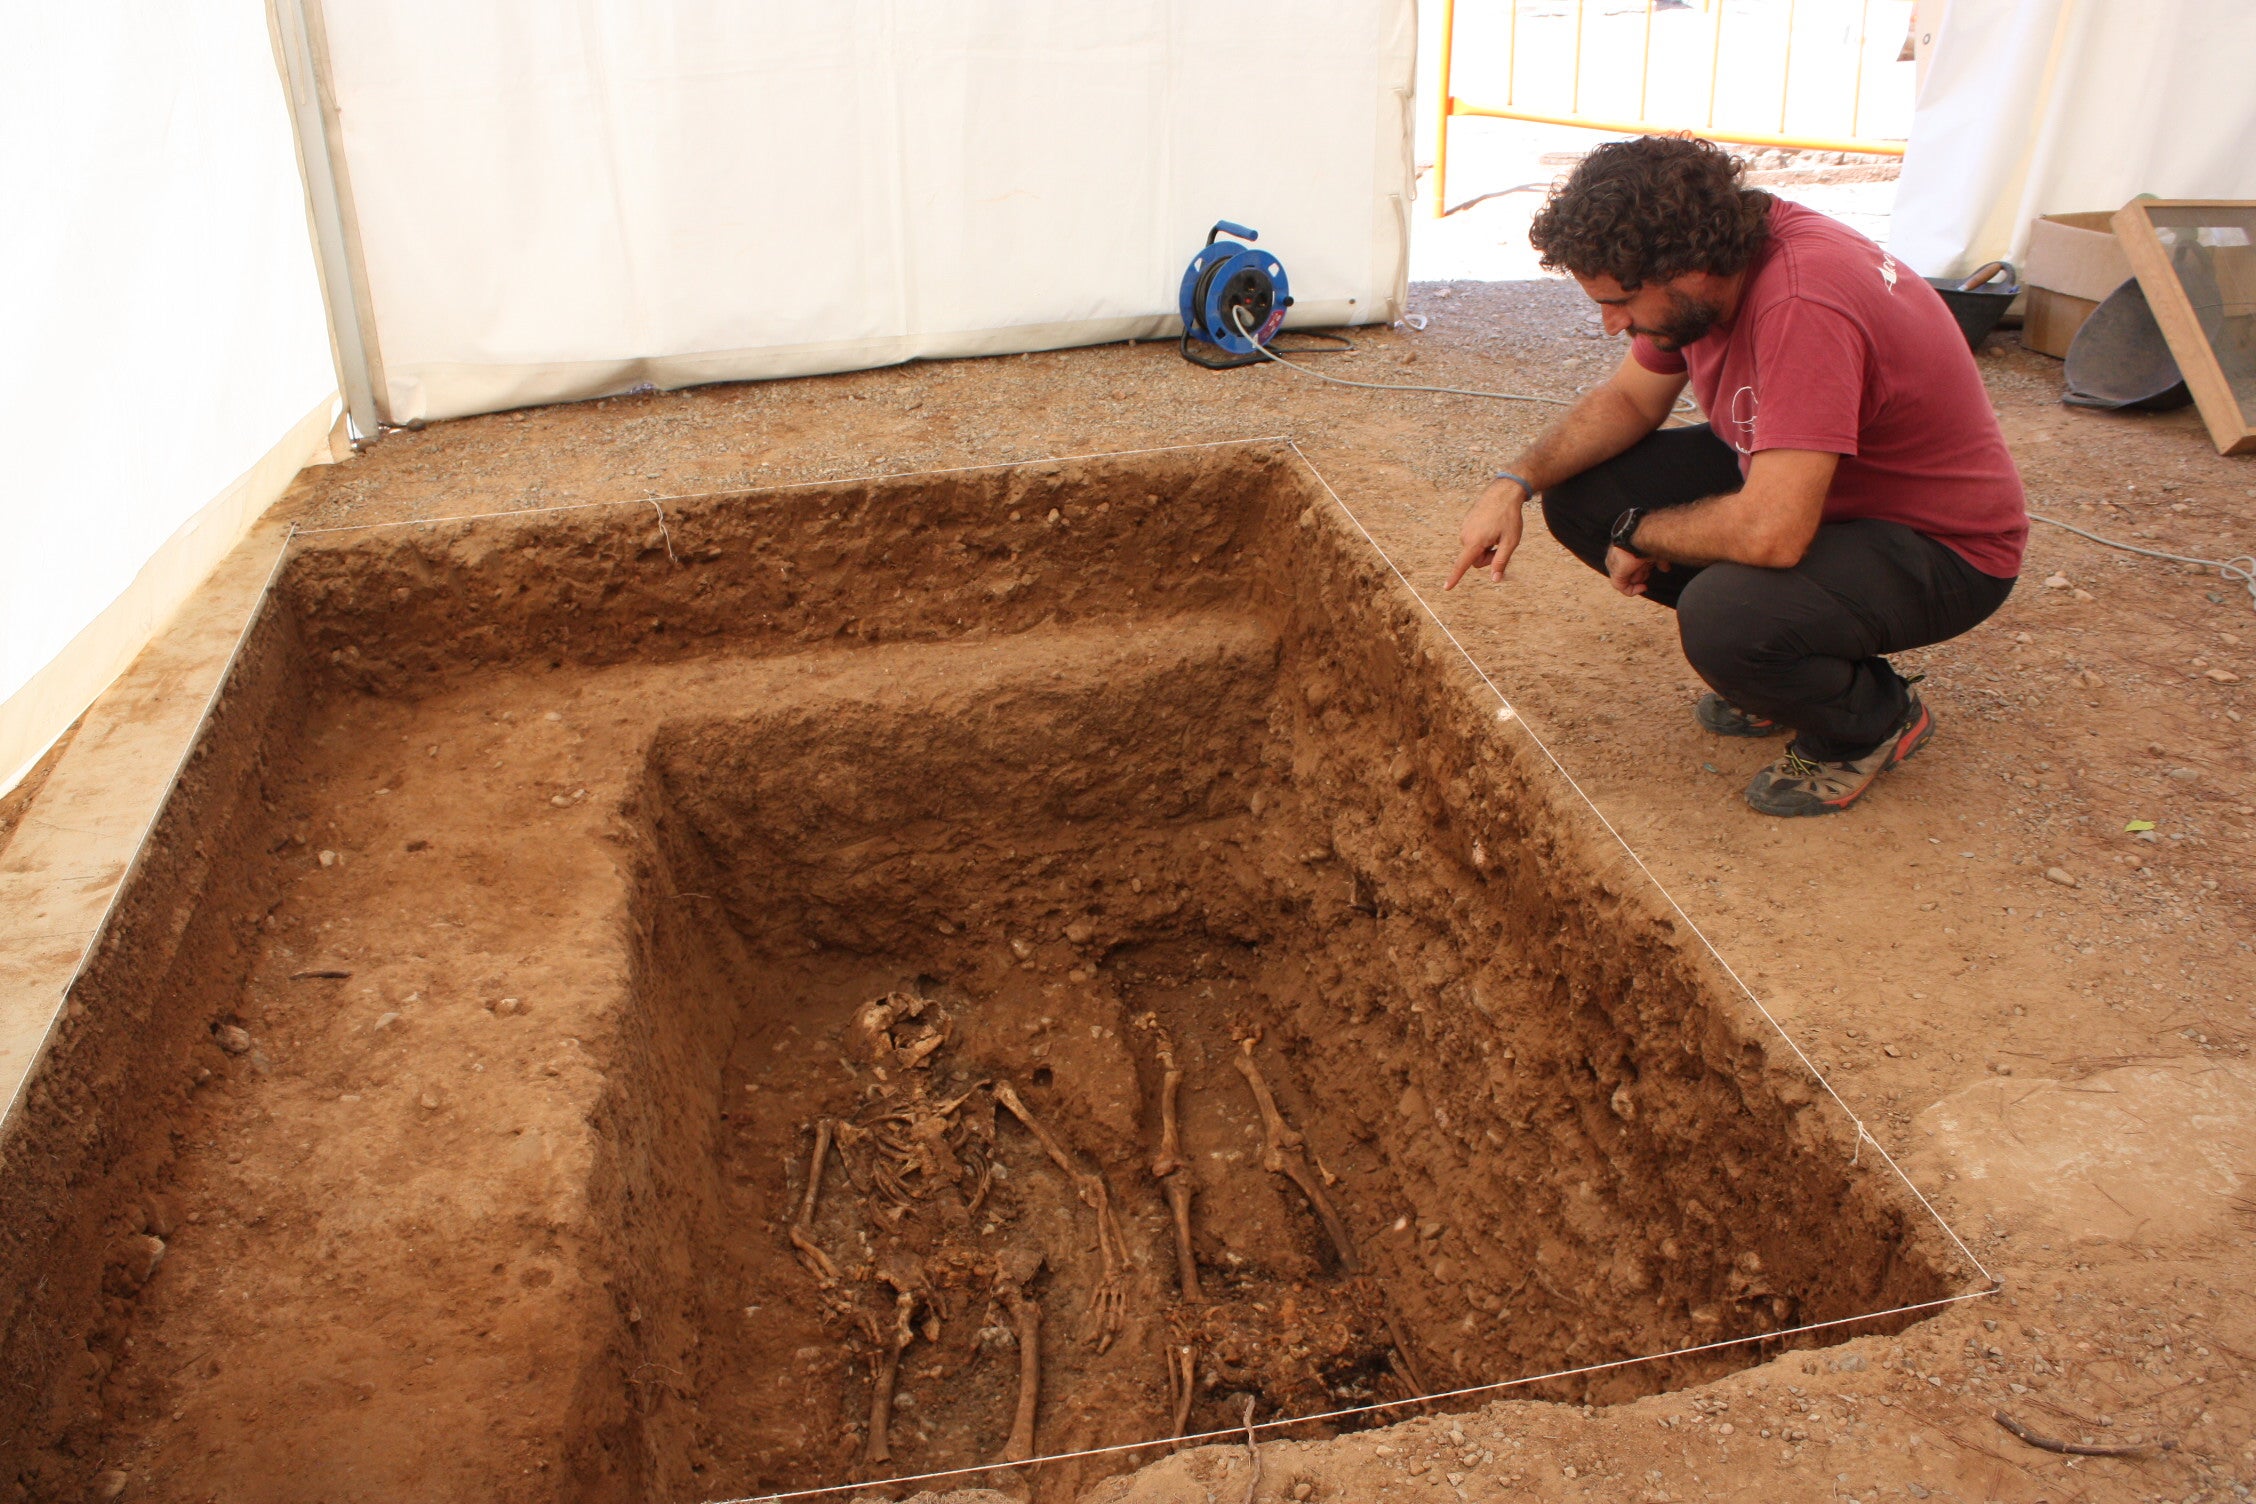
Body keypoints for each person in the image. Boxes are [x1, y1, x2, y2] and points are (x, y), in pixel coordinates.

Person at [1445, 135, 2025, 817]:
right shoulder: (1717, 265)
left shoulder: (1802, 304)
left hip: (1940, 544)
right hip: (1825, 489)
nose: (1610, 324)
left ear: (1689, 269)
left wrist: (1647, 532)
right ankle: (1787, 672)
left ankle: (1871, 718)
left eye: (1621, 301)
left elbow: (1774, 534)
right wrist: (1512, 482)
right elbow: (1630, 401)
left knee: (1729, 617)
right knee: (1583, 496)